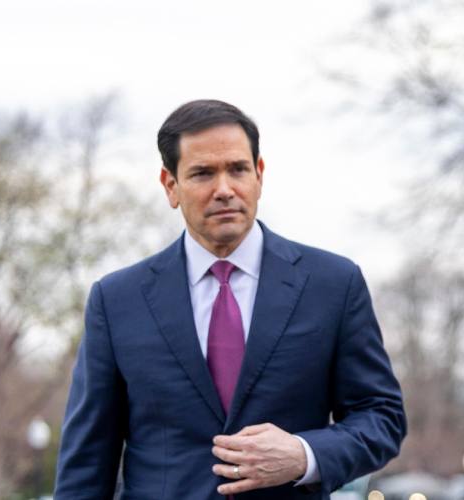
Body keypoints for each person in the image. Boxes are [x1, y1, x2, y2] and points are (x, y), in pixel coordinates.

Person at [55, 99, 406, 499]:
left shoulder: (333, 285)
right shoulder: (117, 301)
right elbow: (86, 463)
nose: (224, 190)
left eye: (238, 169)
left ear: (259, 174)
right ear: (170, 186)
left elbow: (382, 417)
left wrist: (305, 454)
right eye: (203, 173)